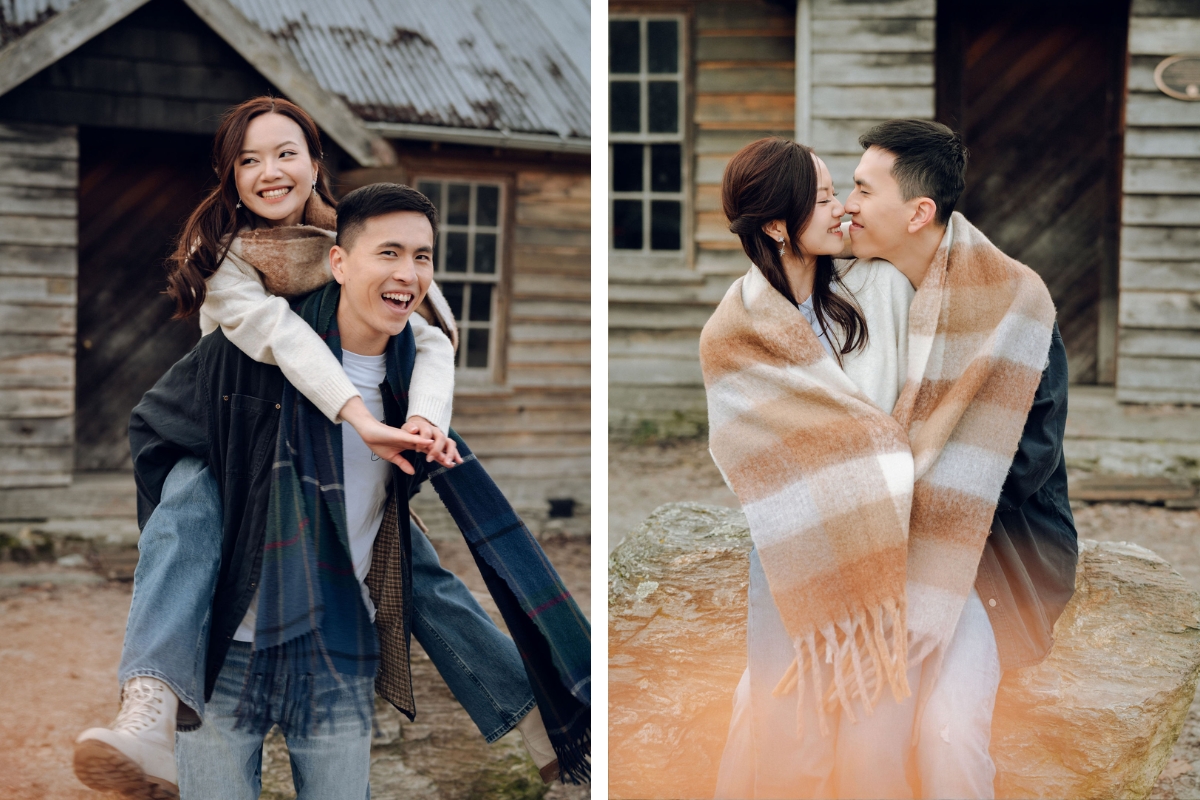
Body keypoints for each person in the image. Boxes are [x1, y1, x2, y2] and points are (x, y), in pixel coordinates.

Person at [71, 98, 563, 797]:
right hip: (230, 435)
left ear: (313, 162)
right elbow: (285, 338)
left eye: (285, 153)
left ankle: (537, 717)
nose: (269, 171)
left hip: (323, 471)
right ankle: (148, 708)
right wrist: (358, 414)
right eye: (248, 160)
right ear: (229, 176)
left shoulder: (368, 239)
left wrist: (424, 418)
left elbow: (433, 332)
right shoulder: (229, 261)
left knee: (414, 567)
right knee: (186, 516)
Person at [704, 122, 1076, 800]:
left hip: (971, 556)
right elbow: (766, 448)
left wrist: (888, 483)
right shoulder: (754, 318)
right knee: (763, 712)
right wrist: (870, 478)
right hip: (819, 542)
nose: (845, 204)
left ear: (918, 212)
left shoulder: (973, 304)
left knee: (936, 733)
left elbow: (1019, 466)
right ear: (781, 228)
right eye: (828, 195)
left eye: (855, 189)